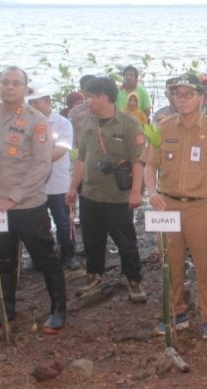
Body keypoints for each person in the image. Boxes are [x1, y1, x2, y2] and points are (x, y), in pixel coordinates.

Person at [0, 66, 67, 334]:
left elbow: (41, 166)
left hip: (27, 204)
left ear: (25, 88)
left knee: (45, 258)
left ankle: (59, 309)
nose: (9, 87)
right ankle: (6, 309)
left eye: (15, 83)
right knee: (3, 260)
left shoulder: (37, 121)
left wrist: (14, 197)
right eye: (5, 82)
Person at [143, 74, 207, 339]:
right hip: (168, 205)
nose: (182, 100)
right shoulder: (163, 128)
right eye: (177, 94)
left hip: (201, 206)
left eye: (188, 94)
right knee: (170, 263)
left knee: (206, 265)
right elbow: (149, 164)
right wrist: (151, 192)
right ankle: (175, 313)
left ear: (202, 98)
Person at [65, 76, 146, 303]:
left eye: (90, 97)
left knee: (125, 241)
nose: (87, 101)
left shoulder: (129, 125)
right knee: (92, 240)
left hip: (117, 197)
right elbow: (81, 159)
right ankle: (94, 276)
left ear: (104, 97)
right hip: (90, 194)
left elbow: (139, 160)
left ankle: (133, 280)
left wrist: (136, 191)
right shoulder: (89, 123)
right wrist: (73, 188)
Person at [26, 83, 80, 270]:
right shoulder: (26, 123)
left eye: (36, 102)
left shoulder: (62, 123)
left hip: (58, 182)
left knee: (64, 221)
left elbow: (61, 149)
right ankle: (42, 258)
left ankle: (69, 254)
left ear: (48, 102)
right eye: (30, 103)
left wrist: (38, 163)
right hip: (35, 184)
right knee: (38, 224)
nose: (32, 106)